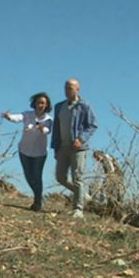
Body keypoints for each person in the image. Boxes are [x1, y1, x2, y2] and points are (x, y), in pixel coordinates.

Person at [50, 78, 97, 218]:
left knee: (77, 177)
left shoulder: (85, 106)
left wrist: (81, 139)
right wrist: (55, 148)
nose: (67, 91)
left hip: (78, 148)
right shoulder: (59, 106)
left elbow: (92, 125)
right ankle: (83, 195)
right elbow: (56, 128)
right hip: (62, 146)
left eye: (70, 88)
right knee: (60, 177)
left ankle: (78, 209)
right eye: (66, 88)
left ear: (77, 89)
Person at [2, 92, 52, 211]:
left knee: (37, 176)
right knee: (29, 176)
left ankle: (38, 201)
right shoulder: (28, 114)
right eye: (38, 102)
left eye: (43, 103)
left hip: (40, 153)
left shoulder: (48, 119)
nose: (40, 105)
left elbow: (47, 130)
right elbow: (18, 118)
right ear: (35, 103)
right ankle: (38, 195)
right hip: (24, 151)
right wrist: (9, 117)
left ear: (46, 105)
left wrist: (42, 129)